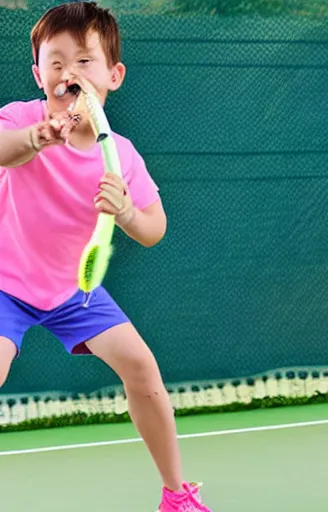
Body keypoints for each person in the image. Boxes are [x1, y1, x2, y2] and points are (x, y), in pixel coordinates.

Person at [0, 3, 212, 511]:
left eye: (84, 62)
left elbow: (154, 227)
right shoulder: (21, 118)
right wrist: (35, 138)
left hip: (75, 290)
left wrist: (127, 215)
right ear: (37, 75)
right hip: (6, 282)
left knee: (142, 368)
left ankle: (175, 494)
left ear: (113, 75)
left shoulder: (123, 154)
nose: (68, 73)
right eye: (55, 62)